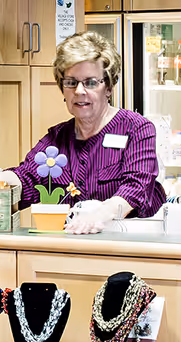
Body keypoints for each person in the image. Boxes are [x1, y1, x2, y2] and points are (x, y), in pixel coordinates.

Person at [10, 32, 165, 234]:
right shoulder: (56, 139)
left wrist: (98, 214)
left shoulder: (136, 129)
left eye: (91, 82)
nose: (79, 91)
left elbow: (136, 188)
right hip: (75, 250)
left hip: (130, 249)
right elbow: (25, 177)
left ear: (108, 87)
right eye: (71, 82)